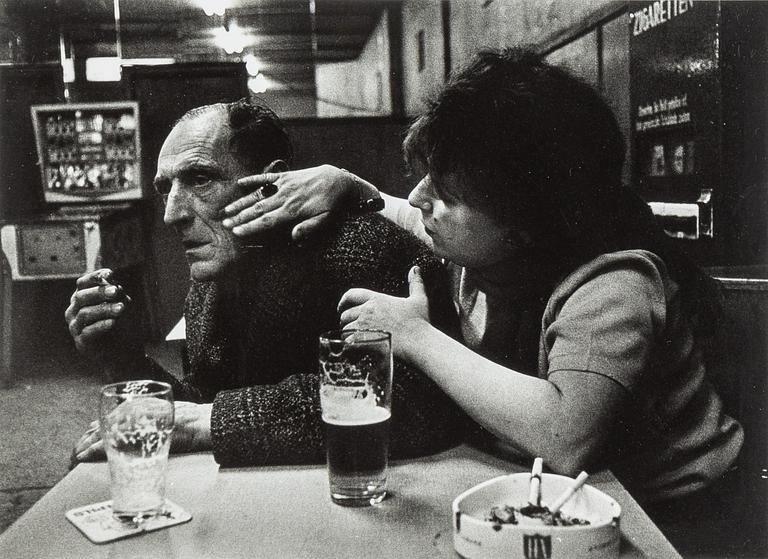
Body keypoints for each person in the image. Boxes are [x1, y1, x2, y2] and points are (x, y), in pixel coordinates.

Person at [220, 49, 744, 550]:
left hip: (680, 520)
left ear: (524, 220)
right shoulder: (489, 243)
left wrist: (415, 338)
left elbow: (565, 438)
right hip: (567, 507)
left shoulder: (613, 284)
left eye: (447, 193)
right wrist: (349, 186)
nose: (423, 197)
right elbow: (408, 213)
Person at [65, 98, 466, 467]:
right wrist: (122, 356)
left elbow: (412, 407)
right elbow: (206, 403)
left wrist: (206, 422)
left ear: (270, 183)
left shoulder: (357, 250)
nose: (172, 214)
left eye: (200, 180)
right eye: (165, 188)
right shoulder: (211, 284)